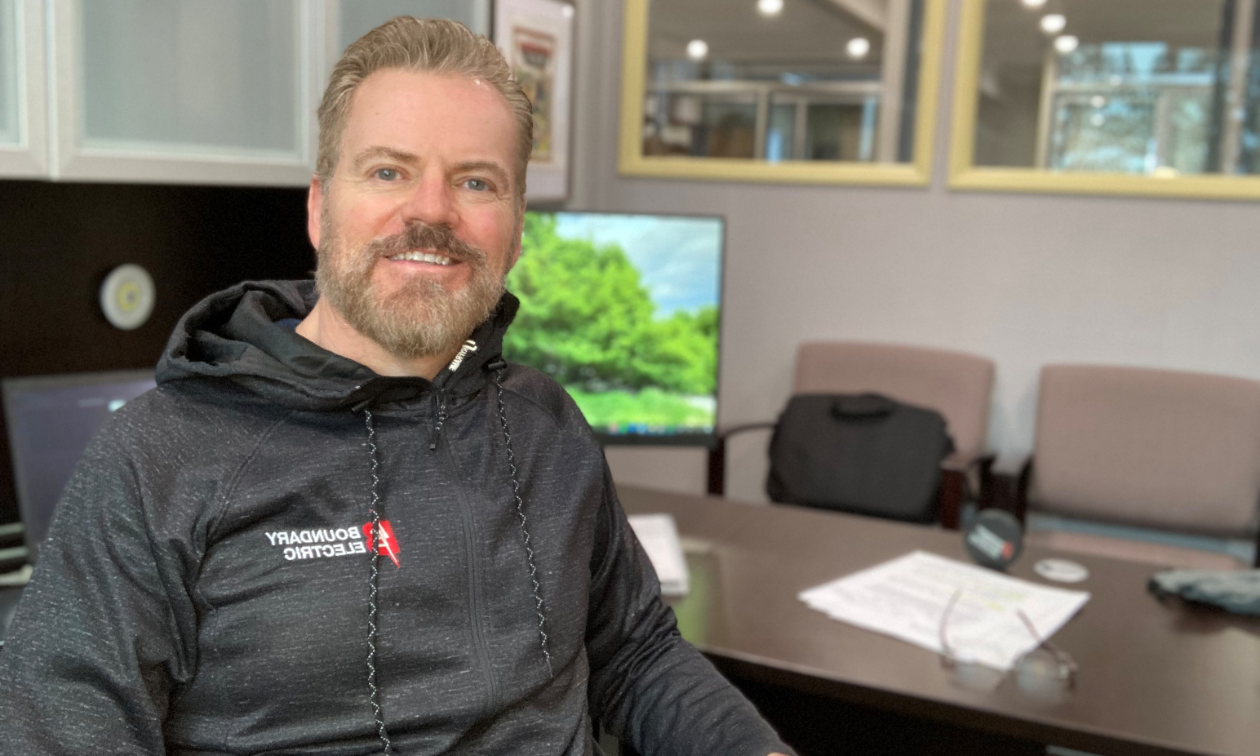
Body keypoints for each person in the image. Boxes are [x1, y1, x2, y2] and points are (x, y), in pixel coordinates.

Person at [0, 18, 793, 756]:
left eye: (477, 183)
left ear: (516, 229)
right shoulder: (158, 458)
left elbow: (638, 652)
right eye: (389, 170)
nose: (432, 212)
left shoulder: (546, 421)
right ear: (319, 209)